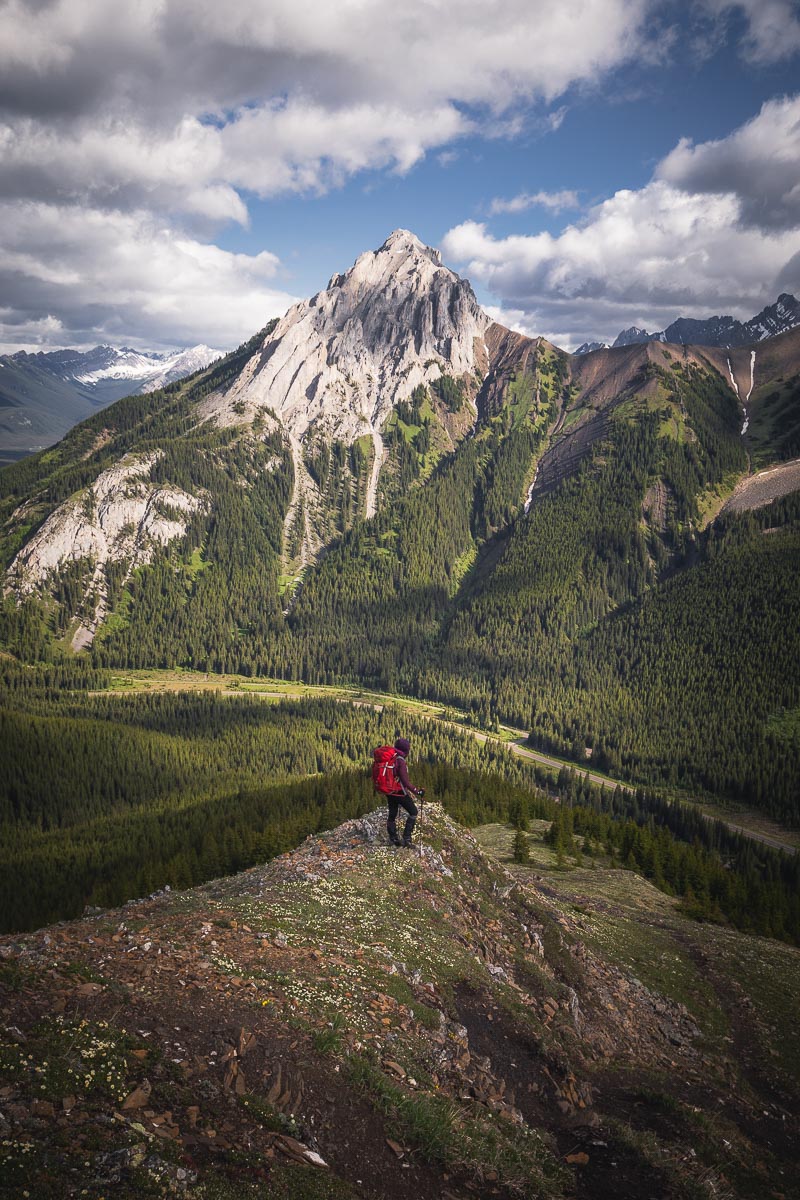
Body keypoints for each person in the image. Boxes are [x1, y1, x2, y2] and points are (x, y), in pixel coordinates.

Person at [385, 737, 424, 847]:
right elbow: (405, 781)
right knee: (413, 812)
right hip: (399, 792)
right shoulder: (400, 761)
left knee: (392, 814)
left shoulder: (391, 758)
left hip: (389, 791)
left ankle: (393, 839)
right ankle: (407, 839)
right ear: (406, 750)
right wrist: (417, 791)